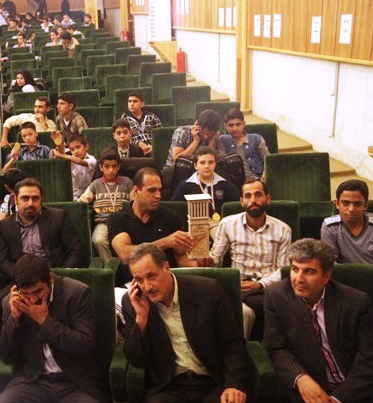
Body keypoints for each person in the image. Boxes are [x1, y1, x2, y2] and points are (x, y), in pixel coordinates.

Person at [264, 238, 373, 403]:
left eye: (309, 272)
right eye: (295, 269)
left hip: (362, 387)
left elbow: (370, 357)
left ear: (326, 276)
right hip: (314, 386)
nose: (299, 279)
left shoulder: (356, 301)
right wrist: (301, 379)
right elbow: (277, 348)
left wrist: (337, 399)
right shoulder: (276, 295)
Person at [122, 243, 248, 403]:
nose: (147, 287)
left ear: (166, 267)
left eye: (151, 276)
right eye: (139, 280)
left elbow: (233, 343)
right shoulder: (134, 302)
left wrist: (233, 385)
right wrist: (142, 318)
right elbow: (137, 360)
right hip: (168, 387)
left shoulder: (208, 291)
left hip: (213, 383)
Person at [0, 254, 112, 403]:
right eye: (26, 293)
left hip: (75, 383)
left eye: (37, 291)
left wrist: (45, 321)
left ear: (50, 279)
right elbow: (6, 356)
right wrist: (15, 320)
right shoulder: (11, 303)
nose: (32, 299)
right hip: (32, 382)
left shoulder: (77, 294)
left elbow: (85, 345)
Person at [0, 178, 87, 324]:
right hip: (21, 281)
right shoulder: (5, 225)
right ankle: (12, 334)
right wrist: (19, 277)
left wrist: (61, 274)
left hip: (52, 278)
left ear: (41, 199)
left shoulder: (58, 218)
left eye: (35, 198)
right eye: (25, 198)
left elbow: (76, 249)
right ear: (15, 199)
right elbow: (2, 259)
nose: (30, 203)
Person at [210, 179, 291, 339]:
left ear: (268, 198)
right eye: (248, 196)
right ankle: (242, 351)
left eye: (258, 195)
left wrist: (260, 284)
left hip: (269, 287)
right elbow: (216, 258)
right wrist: (207, 261)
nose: (253, 200)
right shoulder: (228, 224)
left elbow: (283, 269)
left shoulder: (283, 229)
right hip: (239, 286)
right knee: (244, 313)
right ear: (241, 201)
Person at [108, 168, 199, 283]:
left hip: (165, 283)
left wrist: (198, 264)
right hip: (131, 283)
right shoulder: (118, 218)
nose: (158, 195)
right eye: (152, 190)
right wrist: (165, 242)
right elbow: (125, 255)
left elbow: (181, 259)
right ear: (136, 191)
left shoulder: (171, 218)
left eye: (159, 190)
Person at [321, 179, 373, 311]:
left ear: (366, 205)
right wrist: (356, 291)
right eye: (345, 203)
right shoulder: (330, 227)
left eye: (357, 204)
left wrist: (370, 287)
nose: (351, 209)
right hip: (347, 290)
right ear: (337, 204)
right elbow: (330, 264)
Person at [171, 146, 239, 238]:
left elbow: (235, 206)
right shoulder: (185, 185)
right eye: (202, 163)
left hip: (218, 223)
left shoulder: (225, 184)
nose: (207, 166)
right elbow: (175, 209)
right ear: (195, 166)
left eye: (211, 162)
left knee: (220, 236)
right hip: (194, 225)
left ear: (215, 164)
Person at [79, 149, 133, 260]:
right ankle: (109, 265)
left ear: (118, 167)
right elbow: (81, 202)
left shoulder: (127, 182)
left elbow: (134, 201)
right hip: (103, 222)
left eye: (114, 166)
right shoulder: (96, 184)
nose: (111, 170)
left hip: (124, 222)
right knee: (99, 240)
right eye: (107, 167)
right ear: (100, 167)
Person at [216, 108, 269, 180]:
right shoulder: (222, 140)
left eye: (238, 124)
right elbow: (220, 162)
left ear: (244, 124)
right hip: (234, 181)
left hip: (257, 178)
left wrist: (265, 173)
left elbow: (268, 159)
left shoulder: (256, 138)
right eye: (231, 125)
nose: (235, 128)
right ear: (225, 126)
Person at [52, 133, 97, 200]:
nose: (75, 151)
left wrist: (61, 155)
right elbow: (62, 152)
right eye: (72, 149)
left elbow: (79, 161)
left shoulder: (92, 160)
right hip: (76, 196)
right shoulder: (71, 158)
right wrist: (60, 142)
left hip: (91, 195)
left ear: (86, 147)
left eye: (78, 147)